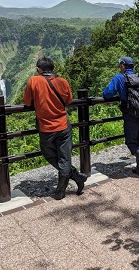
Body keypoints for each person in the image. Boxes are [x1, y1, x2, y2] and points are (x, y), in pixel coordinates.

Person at [23, 57, 87, 200]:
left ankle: (61, 189)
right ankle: (75, 176)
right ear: (53, 69)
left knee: (49, 155)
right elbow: (69, 100)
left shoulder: (34, 81)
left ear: (39, 69)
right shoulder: (63, 81)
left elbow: (27, 101)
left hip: (46, 127)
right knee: (64, 157)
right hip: (64, 125)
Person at [102, 56, 139, 180]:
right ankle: (138, 168)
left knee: (131, 142)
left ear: (122, 66)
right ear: (134, 66)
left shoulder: (119, 78)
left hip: (131, 115)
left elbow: (107, 93)